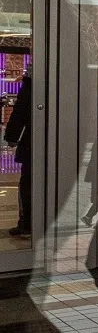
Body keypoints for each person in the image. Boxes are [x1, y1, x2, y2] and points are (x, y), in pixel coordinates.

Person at [5, 65, 32, 236]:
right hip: (55, 143)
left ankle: (27, 224)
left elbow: (20, 111)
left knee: (27, 183)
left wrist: (12, 137)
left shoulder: (30, 85)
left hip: (31, 143)